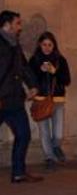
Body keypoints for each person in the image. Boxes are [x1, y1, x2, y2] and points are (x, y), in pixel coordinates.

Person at [0, 10, 41, 183]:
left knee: (23, 134)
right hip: (1, 99)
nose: (20, 27)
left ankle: (18, 172)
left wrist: (33, 85)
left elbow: (24, 67)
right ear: (7, 25)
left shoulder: (15, 44)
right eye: (17, 23)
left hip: (14, 99)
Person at [28, 32, 71, 171]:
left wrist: (54, 71)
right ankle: (49, 158)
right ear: (40, 45)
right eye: (44, 45)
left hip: (57, 100)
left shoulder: (60, 60)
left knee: (58, 133)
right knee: (44, 132)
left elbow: (67, 80)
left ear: (54, 46)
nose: (47, 48)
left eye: (50, 45)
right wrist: (40, 71)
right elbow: (30, 80)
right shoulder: (34, 60)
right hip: (41, 101)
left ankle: (56, 147)